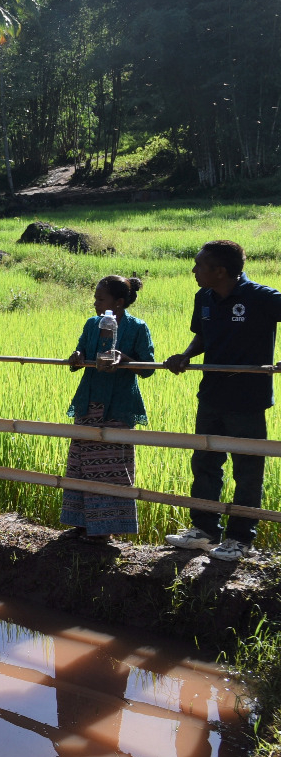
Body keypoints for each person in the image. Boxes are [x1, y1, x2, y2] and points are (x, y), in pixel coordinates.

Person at [163, 240, 281, 561]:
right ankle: (204, 531)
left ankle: (240, 539)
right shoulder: (204, 297)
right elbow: (203, 336)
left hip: (248, 399)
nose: (194, 270)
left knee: (247, 469)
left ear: (220, 271)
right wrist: (185, 356)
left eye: (200, 265)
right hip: (211, 395)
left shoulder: (260, 297)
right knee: (205, 464)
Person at [61, 276, 154, 544]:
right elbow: (80, 350)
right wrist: (78, 356)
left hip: (118, 405)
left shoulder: (137, 327)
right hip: (89, 401)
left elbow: (147, 367)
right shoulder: (92, 324)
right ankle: (80, 524)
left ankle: (105, 529)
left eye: (100, 299)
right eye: (95, 298)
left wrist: (124, 359)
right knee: (81, 462)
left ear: (119, 303)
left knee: (111, 466)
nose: (95, 303)